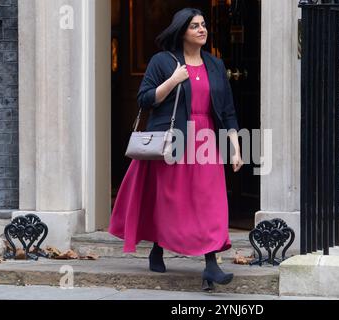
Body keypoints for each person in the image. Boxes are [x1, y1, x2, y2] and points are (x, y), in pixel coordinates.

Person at [108, 7, 244, 291]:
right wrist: (173, 80)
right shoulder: (162, 62)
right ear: (182, 31)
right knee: (173, 200)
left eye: (204, 25)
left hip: (206, 140)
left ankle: (211, 264)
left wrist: (235, 147)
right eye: (195, 26)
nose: (202, 30)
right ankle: (158, 246)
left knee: (210, 201)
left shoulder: (215, 65)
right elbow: (145, 99)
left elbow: (228, 110)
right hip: (174, 140)